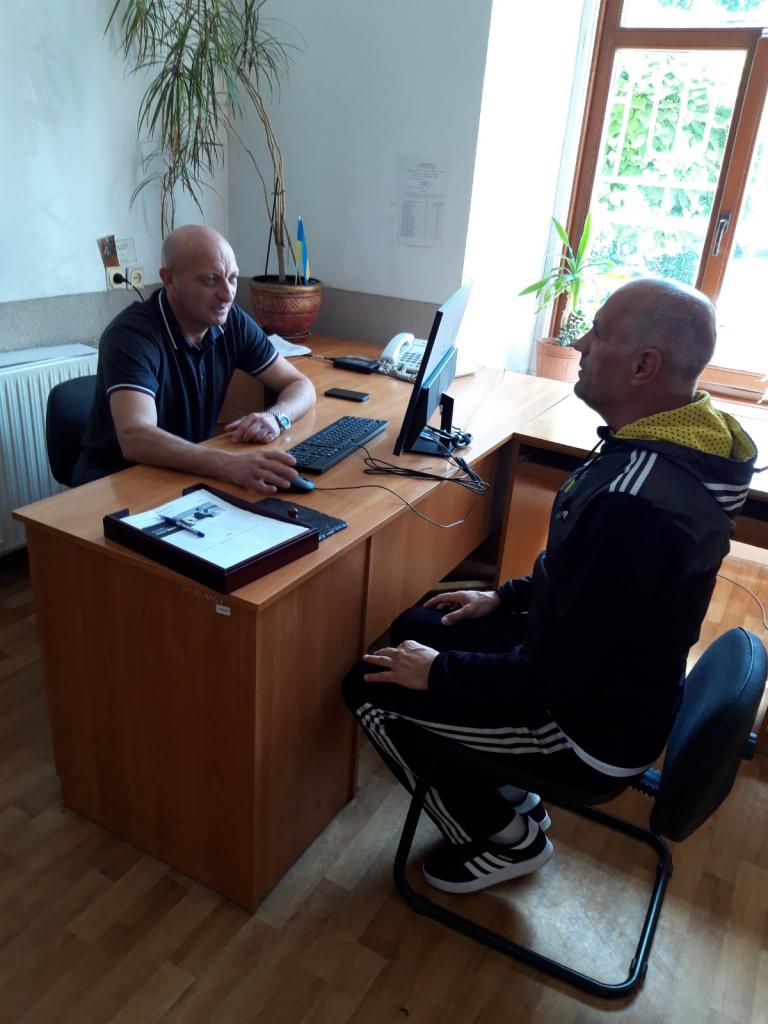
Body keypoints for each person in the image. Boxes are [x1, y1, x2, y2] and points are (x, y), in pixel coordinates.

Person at [342, 278, 757, 895]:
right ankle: (506, 789)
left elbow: (553, 680)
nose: (581, 344)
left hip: (584, 732)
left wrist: (440, 674)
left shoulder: (637, 507)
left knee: (369, 687)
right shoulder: (658, 446)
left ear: (644, 366)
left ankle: (502, 839)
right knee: (417, 626)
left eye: (599, 334)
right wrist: (502, 598)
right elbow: (580, 578)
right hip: (599, 682)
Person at [73, 225, 315, 492]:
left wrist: (277, 418)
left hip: (184, 473)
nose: (227, 294)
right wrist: (228, 464)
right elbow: (135, 437)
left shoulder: (231, 321)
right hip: (116, 484)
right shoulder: (131, 335)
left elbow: (300, 385)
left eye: (232, 278)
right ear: (170, 279)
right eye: (211, 279)